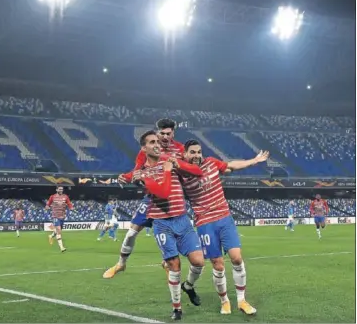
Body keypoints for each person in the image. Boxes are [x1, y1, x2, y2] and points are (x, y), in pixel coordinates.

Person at [181, 139, 269, 316]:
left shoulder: (211, 163)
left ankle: (242, 300)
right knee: (218, 264)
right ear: (185, 154)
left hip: (224, 217)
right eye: (193, 152)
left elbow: (231, 166)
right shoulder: (181, 174)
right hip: (205, 223)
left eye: (199, 152)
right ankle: (224, 301)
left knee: (236, 258)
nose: (197, 155)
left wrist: (253, 161)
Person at [132, 130, 206, 320]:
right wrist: (166, 169)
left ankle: (188, 286)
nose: (156, 144)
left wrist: (176, 163)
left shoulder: (171, 160)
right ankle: (177, 308)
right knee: (174, 265)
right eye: (151, 142)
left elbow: (198, 171)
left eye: (157, 141)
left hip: (182, 219)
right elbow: (163, 192)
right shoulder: (141, 174)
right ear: (143, 148)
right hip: (162, 223)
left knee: (199, 261)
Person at [104, 118, 186, 278]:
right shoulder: (147, 150)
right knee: (131, 233)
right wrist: (125, 177)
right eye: (161, 133)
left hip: (172, 200)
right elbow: (137, 171)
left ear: (173, 133)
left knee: (179, 237)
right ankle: (120, 264)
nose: (164, 137)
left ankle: (167, 262)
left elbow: (187, 170)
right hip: (152, 199)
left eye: (168, 134)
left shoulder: (180, 150)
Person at [45, 186, 73, 252]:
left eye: (62, 189)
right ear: (56, 189)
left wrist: (71, 207)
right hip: (55, 216)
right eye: (60, 189)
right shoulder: (52, 197)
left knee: (58, 231)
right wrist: (47, 207)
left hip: (62, 216)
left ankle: (51, 236)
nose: (61, 190)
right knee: (59, 231)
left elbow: (69, 204)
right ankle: (61, 247)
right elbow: (48, 204)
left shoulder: (65, 197)